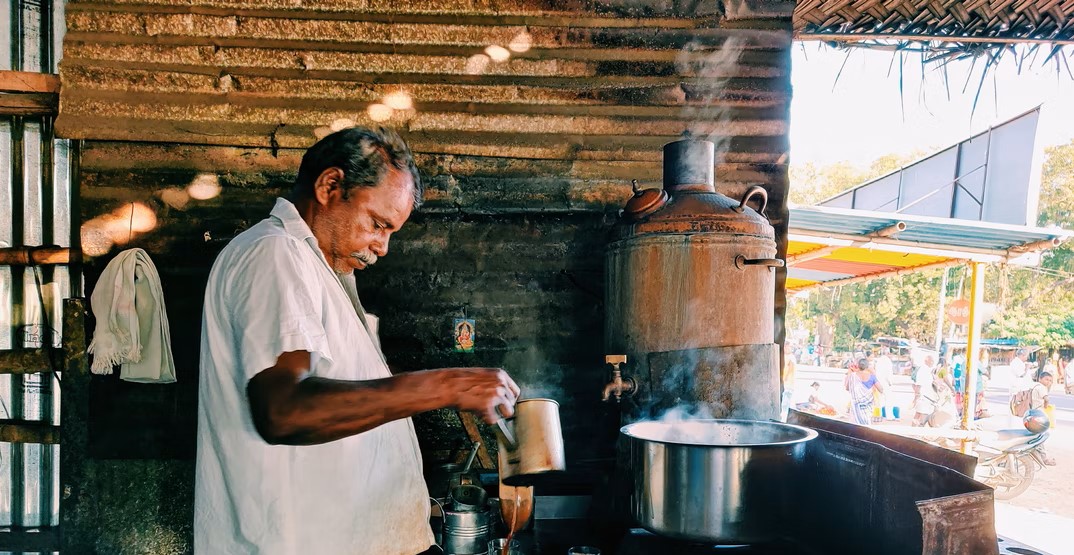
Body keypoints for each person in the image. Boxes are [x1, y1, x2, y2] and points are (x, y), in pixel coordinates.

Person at [194, 127, 521, 555]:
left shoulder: (317, 267)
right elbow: (285, 411)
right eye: (378, 224)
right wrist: (444, 386)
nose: (382, 247)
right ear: (330, 186)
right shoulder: (276, 254)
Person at [845, 357, 884, 426]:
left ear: (858, 366)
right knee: (866, 424)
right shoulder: (872, 377)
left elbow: (847, 388)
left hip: (855, 406)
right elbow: (881, 389)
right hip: (867, 407)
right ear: (867, 366)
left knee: (855, 425)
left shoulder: (852, 376)